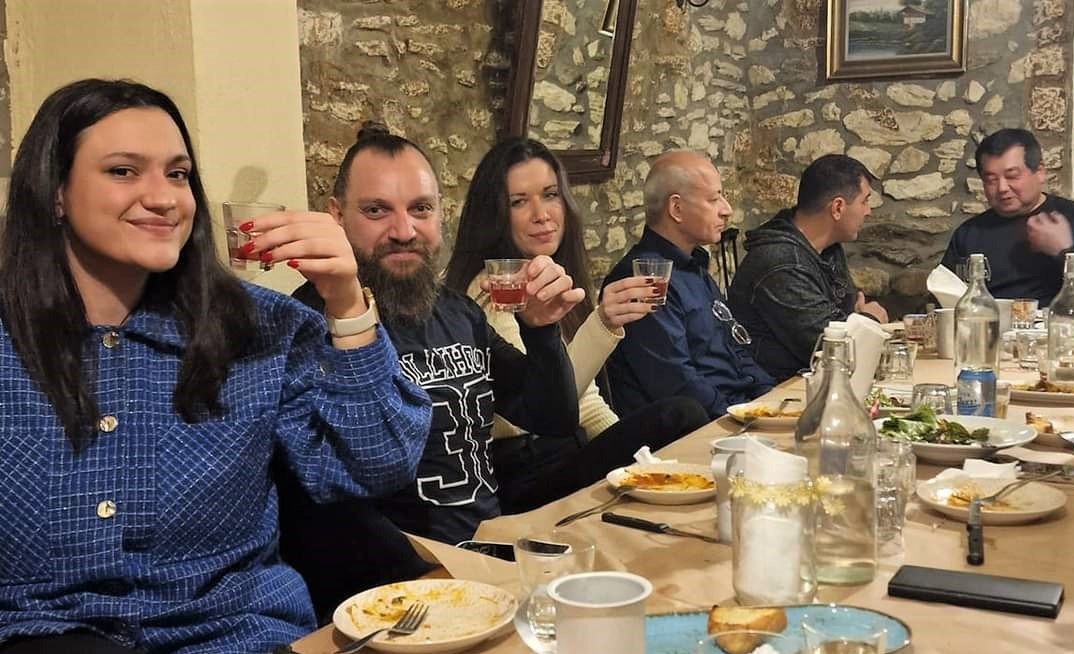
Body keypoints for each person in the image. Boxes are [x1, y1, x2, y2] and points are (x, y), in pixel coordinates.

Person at [0, 80, 431, 653]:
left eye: (178, 174)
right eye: (124, 171)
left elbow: (377, 464)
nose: (163, 198)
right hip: (42, 634)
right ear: (56, 192)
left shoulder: (260, 330)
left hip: (234, 636)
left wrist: (347, 303)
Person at [290, 125, 582, 544]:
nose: (404, 230)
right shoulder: (304, 324)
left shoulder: (459, 311)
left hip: (491, 551)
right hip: (399, 570)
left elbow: (553, 418)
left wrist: (542, 330)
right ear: (337, 215)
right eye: (376, 210)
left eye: (421, 209)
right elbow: (318, 499)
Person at [442, 137, 709, 514]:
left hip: (567, 450)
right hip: (523, 469)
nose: (541, 214)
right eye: (519, 202)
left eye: (550, 195)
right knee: (680, 414)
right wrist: (602, 325)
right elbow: (536, 411)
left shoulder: (554, 276)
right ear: (495, 214)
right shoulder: (494, 288)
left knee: (675, 440)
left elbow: (587, 405)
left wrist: (640, 458)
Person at [603, 150, 774, 419]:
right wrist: (746, 417)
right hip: (700, 427)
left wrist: (770, 398)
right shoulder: (645, 278)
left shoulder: (693, 264)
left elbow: (735, 347)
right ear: (676, 209)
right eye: (714, 199)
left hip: (736, 410)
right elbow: (675, 382)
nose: (727, 209)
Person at [727, 154, 888, 382]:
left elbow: (844, 316)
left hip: (810, 382)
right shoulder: (781, 263)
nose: (868, 211)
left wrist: (855, 321)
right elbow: (834, 351)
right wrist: (869, 321)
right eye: (864, 201)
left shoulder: (828, 248)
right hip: (775, 391)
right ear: (838, 207)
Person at [941, 128, 1074, 305]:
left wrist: (1064, 251)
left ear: (1040, 172)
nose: (1002, 188)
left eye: (1012, 176)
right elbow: (943, 299)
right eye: (991, 180)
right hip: (987, 320)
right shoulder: (968, 233)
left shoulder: (1069, 216)